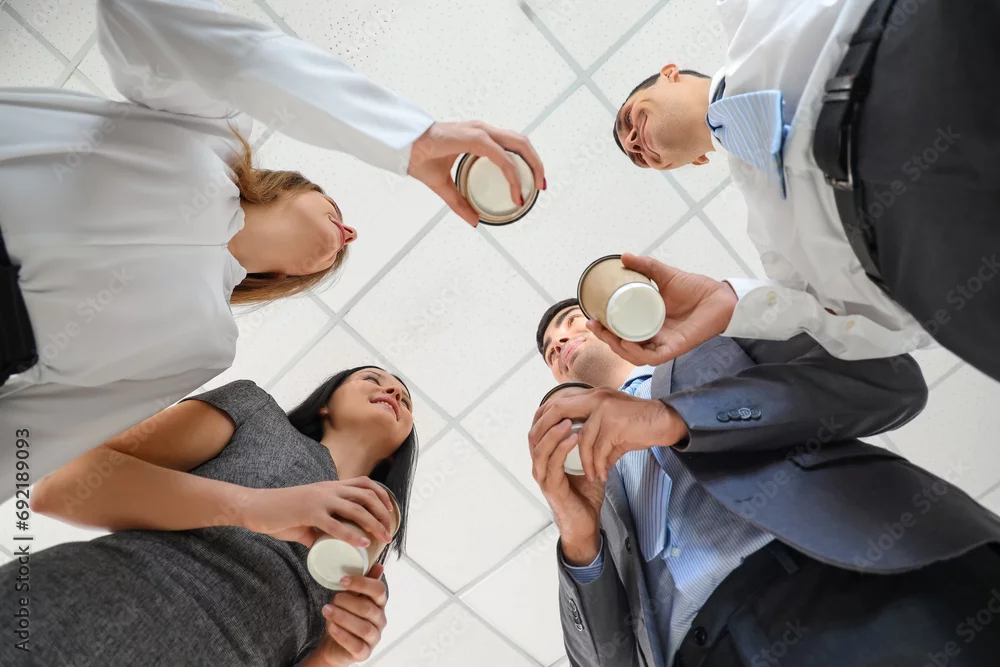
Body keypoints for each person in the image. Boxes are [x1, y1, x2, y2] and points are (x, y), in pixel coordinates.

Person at [0, 0, 544, 486]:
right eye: (336, 208)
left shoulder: (207, 342)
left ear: (289, 278)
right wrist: (408, 139)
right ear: (289, 186)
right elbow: (141, 15)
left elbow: (42, 430)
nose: (350, 234)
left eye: (338, 256)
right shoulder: (207, 130)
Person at [529, 294, 1000, 666]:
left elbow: (889, 381)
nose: (560, 341)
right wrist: (579, 539)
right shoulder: (589, 486)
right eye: (551, 350)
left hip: (861, 582)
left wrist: (674, 419)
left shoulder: (713, 342)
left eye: (570, 321)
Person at [609, 0, 1000, 382]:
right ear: (693, 162)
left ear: (670, 73)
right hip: (953, 268)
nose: (633, 142)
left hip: (942, 56)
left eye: (628, 119)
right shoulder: (772, 248)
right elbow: (868, 329)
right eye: (638, 158)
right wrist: (732, 304)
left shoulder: (749, 12)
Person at [0, 365, 418, 666]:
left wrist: (329, 657)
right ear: (326, 404)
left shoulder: (367, 580)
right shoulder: (257, 413)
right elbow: (63, 487)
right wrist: (252, 506)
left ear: (396, 452)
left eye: (405, 398)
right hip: (74, 618)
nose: (393, 391)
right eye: (372, 378)